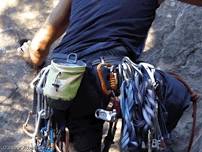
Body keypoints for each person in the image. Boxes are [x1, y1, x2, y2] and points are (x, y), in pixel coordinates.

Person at [17, 0, 201, 151]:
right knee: (177, 92)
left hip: (65, 78)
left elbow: (39, 49)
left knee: (81, 130)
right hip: (109, 75)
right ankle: (152, 135)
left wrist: (28, 54)